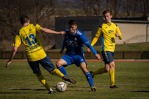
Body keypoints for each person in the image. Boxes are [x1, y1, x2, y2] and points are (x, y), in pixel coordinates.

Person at [6, 15, 76, 94]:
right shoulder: (34, 26)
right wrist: (58, 32)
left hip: (31, 57)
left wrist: (10, 60)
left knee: (38, 74)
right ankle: (63, 77)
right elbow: (44, 30)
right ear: (28, 21)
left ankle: (49, 89)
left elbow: (15, 48)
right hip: (41, 53)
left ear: (21, 22)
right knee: (52, 70)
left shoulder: (19, 33)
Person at [56, 20, 100, 91]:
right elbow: (65, 41)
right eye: (70, 27)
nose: (71, 29)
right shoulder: (67, 33)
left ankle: (92, 86)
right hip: (68, 55)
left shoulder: (80, 35)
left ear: (76, 27)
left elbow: (89, 45)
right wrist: (62, 49)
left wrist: (96, 53)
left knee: (85, 69)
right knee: (58, 64)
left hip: (78, 56)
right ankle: (67, 79)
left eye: (72, 27)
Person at [87, 9, 122, 88]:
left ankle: (92, 74)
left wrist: (118, 35)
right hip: (106, 49)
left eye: (107, 16)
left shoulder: (115, 26)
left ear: (111, 16)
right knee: (112, 65)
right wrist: (90, 46)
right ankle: (112, 84)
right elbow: (96, 37)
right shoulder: (102, 26)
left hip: (112, 49)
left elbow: (121, 37)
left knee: (107, 69)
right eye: (105, 16)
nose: (106, 18)